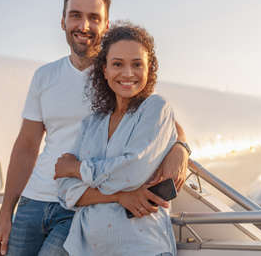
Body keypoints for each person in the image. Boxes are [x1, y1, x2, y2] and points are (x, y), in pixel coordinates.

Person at [0, 0, 190, 256]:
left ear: (106, 25)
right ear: (62, 21)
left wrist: (181, 149)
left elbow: (162, 122)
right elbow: (26, 145)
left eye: (94, 18)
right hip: (36, 199)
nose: (84, 26)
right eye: (76, 16)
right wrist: (5, 213)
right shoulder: (45, 77)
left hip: (82, 205)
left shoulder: (120, 72)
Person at [56, 21, 177, 256]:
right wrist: (120, 196)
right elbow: (64, 190)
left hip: (143, 248)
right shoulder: (92, 123)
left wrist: (77, 169)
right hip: (87, 250)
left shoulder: (155, 108)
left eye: (137, 64)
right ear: (105, 70)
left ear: (149, 68)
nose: (128, 73)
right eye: (118, 64)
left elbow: (131, 173)